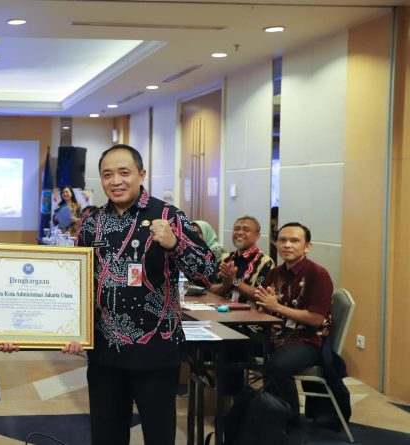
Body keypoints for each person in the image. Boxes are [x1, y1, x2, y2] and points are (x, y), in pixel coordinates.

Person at [63, 144, 215, 445]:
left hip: (155, 351)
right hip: (105, 352)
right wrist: (71, 329)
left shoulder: (169, 216)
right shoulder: (92, 224)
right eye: (107, 174)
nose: (115, 181)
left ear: (141, 174)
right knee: (106, 435)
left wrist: (175, 244)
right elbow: (78, 282)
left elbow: (209, 273)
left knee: (158, 436)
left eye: (124, 172)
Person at [254, 222, 333, 422]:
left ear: (307, 247)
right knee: (232, 346)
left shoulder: (318, 274)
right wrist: (265, 306)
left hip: (307, 341)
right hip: (275, 335)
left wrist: (277, 307)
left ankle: (288, 419)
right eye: (282, 240)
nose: (287, 245)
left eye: (294, 240)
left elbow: (316, 319)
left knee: (278, 365)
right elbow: (264, 309)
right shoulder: (275, 273)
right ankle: (242, 410)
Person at [207, 215, 274, 302]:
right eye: (236, 229)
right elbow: (209, 289)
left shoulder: (265, 262)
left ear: (257, 236)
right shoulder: (225, 258)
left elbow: (263, 296)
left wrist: (235, 281)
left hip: (248, 311)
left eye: (246, 230)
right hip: (219, 308)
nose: (239, 232)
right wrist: (226, 285)